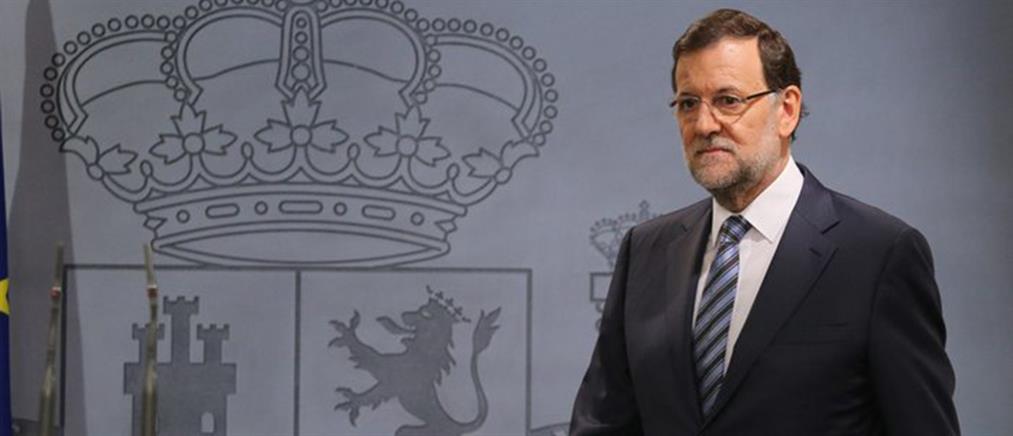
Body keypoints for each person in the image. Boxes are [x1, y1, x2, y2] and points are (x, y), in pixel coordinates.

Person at [569, 8, 959, 436]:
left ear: (787, 109)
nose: (704, 124)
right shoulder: (646, 250)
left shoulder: (879, 255)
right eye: (688, 103)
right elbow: (602, 424)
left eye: (728, 100)